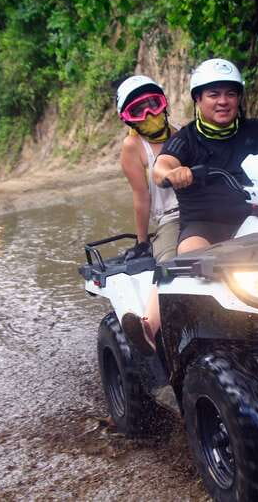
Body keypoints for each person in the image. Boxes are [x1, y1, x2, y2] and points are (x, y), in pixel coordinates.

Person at [153, 58, 258, 254]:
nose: (223, 101)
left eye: (231, 94)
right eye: (213, 94)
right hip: (203, 227)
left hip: (257, 219)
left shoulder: (255, 129)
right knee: (190, 254)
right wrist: (173, 173)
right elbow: (160, 168)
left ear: (239, 99)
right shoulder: (185, 139)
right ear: (198, 99)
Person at [115, 75, 181, 353]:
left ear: (164, 104)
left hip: (202, 208)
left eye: (154, 104)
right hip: (171, 218)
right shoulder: (133, 147)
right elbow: (141, 198)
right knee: (170, 263)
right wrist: (142, 242)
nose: (150, 115)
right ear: (128, 119)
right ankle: (149, 327)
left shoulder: (178, 134)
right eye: (139, 110)